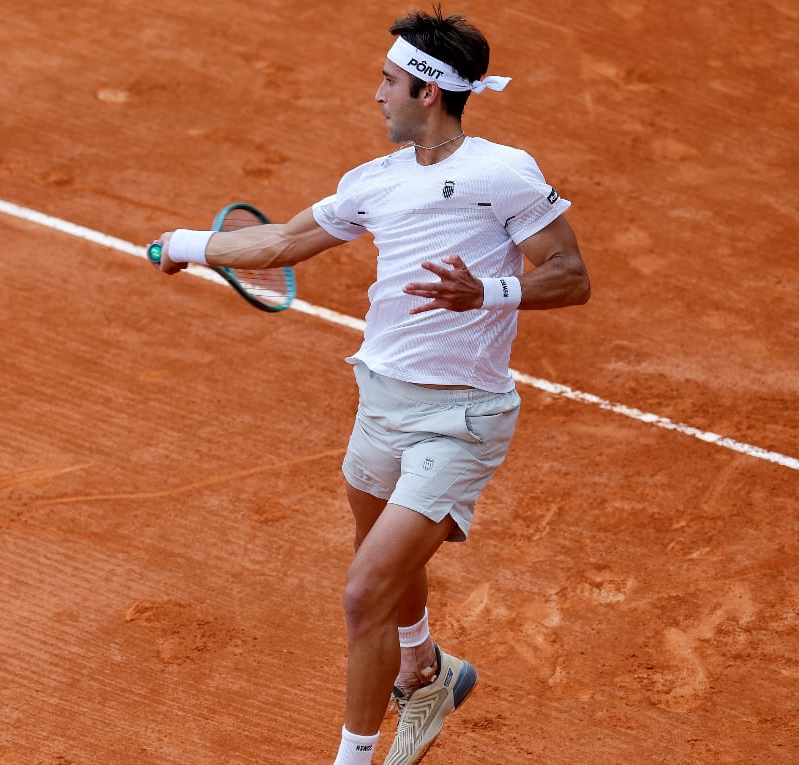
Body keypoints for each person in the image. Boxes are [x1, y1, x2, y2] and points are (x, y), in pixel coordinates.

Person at [149, 8, 591, 765]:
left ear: (427, 92)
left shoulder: (504, 173)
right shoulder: (373, 182)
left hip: (461, 418)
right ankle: (424, 668)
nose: (375, 94)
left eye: (388, 81)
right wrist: (184, 244)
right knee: (385, 566)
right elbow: (285, 239)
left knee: (363, 591)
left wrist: (485, 294)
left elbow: (571, 278)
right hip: (380, 402)